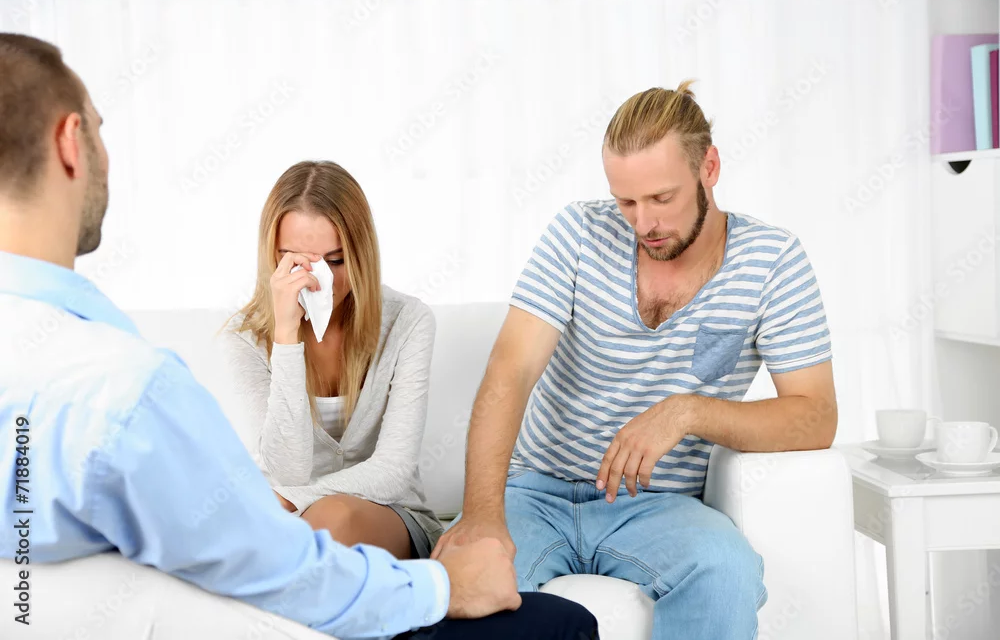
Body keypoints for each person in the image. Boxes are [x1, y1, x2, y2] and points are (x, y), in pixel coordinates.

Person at [0, 32, 598, 640]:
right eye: (101, 130)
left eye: (335, 261)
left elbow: (293, 516)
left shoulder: (98, 378)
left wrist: (285, 502)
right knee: (565, 625)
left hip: (342, 531)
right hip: (300, 564)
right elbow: (262, 553)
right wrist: (444, 588)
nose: (318, 279)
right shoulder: (128, 388)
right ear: (71, 143)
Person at [433, 81, 838, 639]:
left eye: (662, 199)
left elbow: (816, 416)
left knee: (726, 570)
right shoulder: (578, 232)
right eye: (626, 202)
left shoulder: (773, 261)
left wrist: (687, 411)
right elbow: (511, 371)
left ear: (709, 167)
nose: (644, 223)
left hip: (657, 506)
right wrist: (482, 516)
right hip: (536, 492)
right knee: (464, 590)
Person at [218, 160, 443, 561]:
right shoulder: (245, 338)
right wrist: (287, 337)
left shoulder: (407, 321)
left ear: (360, 254)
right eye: (297, 262)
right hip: (291, 528)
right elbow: (287, 470)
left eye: (335, 261)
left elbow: (393, 471)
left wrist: (292, 498)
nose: (317, 281)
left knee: (334, 518)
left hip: (388, 517)